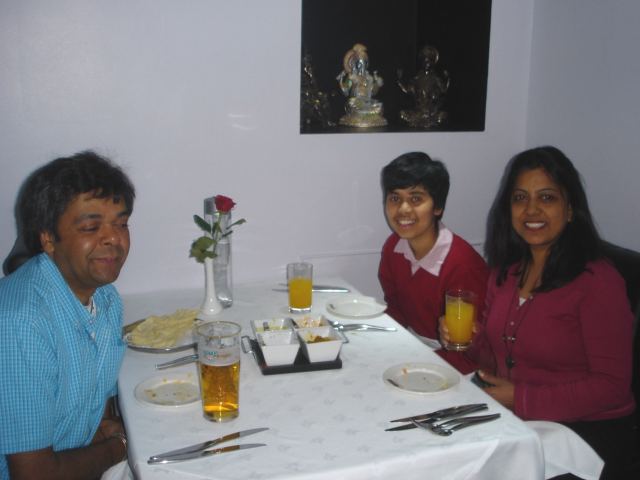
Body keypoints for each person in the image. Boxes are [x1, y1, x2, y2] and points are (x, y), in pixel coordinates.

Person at [442, 146, 636, 479]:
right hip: (519, 416)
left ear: (570, 209)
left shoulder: (597, 282)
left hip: (584, 432)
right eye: (520, 198)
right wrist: (469, 340)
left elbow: (612, 387)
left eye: (547, 198)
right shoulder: (506, 272)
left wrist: (521, 398)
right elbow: (493, 359)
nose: (531, 209)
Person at [0, 151, 135, 479]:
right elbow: (33, 474)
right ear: (48, 238)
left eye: (121, 224)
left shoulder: (105, 298)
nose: (113, 238)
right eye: (91, 227)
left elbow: (100, 401)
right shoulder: (22, 322)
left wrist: (106, 429)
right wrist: (119, 446)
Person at [378, 152, 489, 373]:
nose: (403, 209)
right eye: (395, 198)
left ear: (438, 207)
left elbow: (471, 351)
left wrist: (412, 363)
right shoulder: (394, 247)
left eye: (416, 199)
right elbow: (395, 308)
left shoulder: (463, 265)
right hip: (412, 347)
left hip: (459, 365)